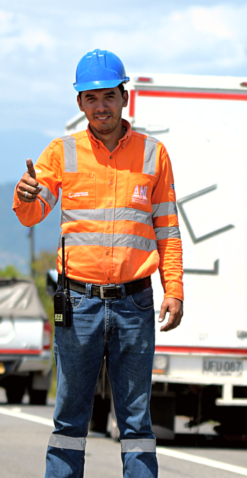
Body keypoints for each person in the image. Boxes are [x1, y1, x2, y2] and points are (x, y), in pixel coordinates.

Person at [13, 49, 184, 478]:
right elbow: (34, 213)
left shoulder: (153, 155)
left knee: (136, 420)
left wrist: (174, 290)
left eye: (108, 95)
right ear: (79, 104)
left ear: (125, 97)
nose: (101, 106)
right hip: (78, 304)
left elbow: (167, 230)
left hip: (135, 304)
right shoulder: (61, 153)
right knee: (70, 418)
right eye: (91, 98)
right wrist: (25, 195)